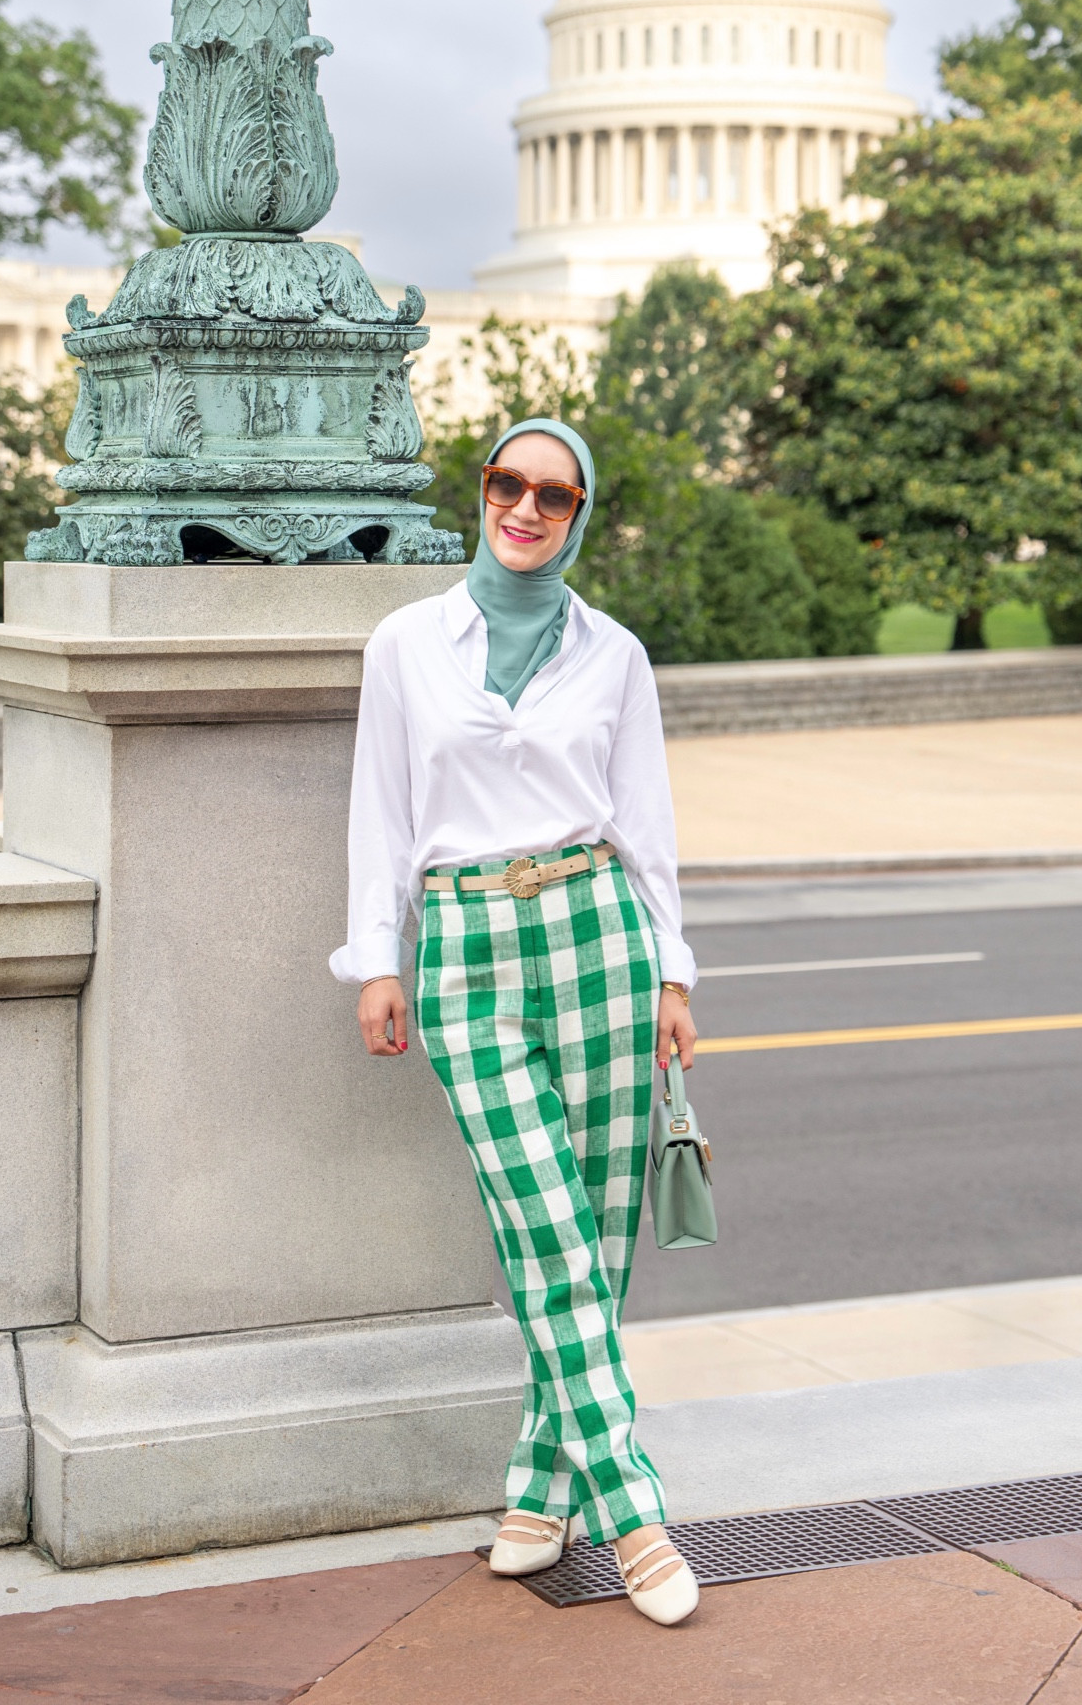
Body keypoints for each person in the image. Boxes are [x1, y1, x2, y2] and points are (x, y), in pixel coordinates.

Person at [330, 418, 701, 1627]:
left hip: (600, 934)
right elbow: (379, 809)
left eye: (553, 492)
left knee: (590, 1242)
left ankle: (540, 1485)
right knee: (539, 1222)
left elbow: (645, 822)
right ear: (481, 491)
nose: (525, 508)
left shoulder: (615, 654)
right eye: (506, 484)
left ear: (580, 510)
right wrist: (375, 960)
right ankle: (632, 1504)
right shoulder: (406, 643)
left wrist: (674, 974)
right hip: (465, 948)